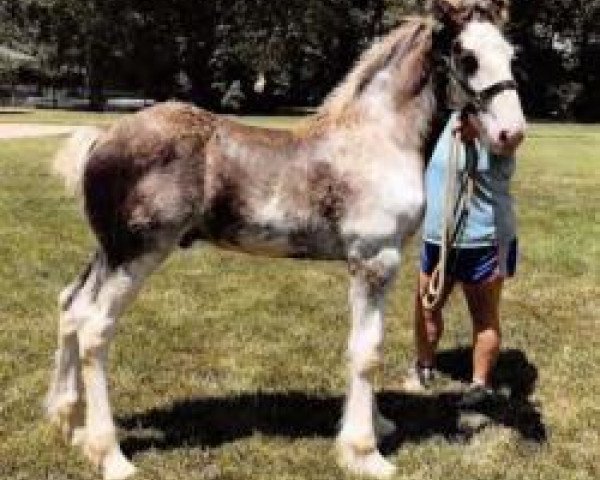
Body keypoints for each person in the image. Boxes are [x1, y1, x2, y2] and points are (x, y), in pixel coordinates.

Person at [403, 111, 522, 405]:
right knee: (426, 308)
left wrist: (481, 130)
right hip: (439, 239)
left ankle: (479, 386)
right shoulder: (442, 118)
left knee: (484, 316)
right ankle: (425, 367)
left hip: (487, 240)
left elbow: (515, 136)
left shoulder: (499, 120)